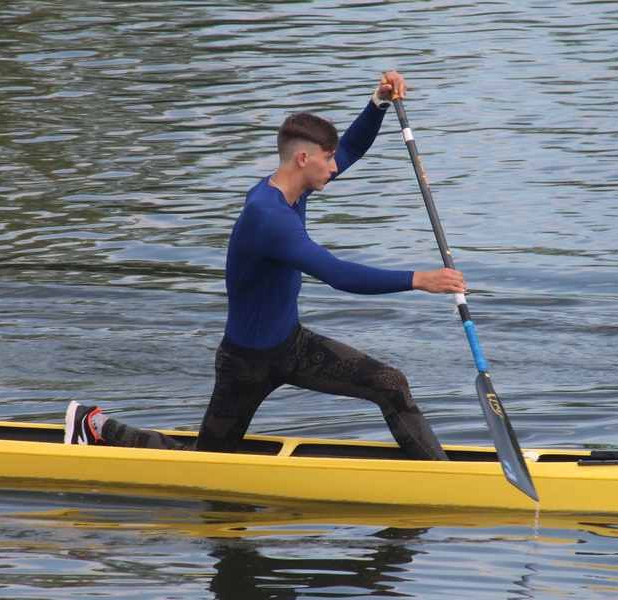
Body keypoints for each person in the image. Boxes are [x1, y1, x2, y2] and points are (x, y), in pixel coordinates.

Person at [65, 70, 465, 460]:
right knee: (207, 462)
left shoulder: (297, 187)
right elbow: (337, 274)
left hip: (292, 345)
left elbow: (351, 149)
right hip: (246, 364)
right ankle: (94, 426)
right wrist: (419, 279)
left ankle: (443, 477)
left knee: (390, 384)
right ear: (304, 158)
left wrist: (377, 103)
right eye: (327, 160)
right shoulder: (268, 218)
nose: (334, 167)